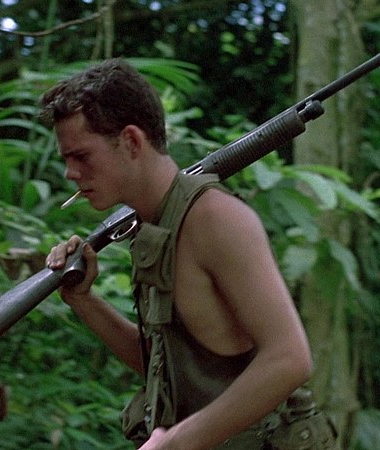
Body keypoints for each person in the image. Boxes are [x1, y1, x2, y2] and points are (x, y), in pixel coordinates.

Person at [42, 59, 328, 449]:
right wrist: (83, 300)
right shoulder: (156, 224)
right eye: (67, 160)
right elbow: (166, 371)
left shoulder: (215, 219)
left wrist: (177, 441)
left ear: (131, 142)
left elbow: (290, 360)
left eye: (82, 157)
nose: (70, 173)